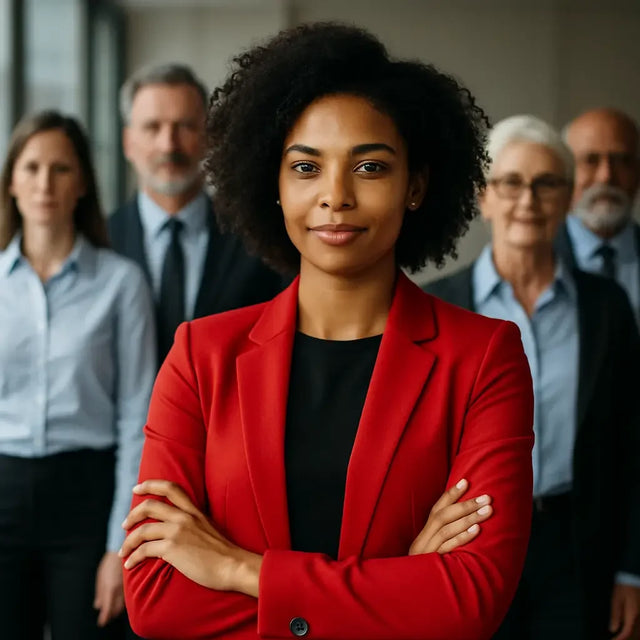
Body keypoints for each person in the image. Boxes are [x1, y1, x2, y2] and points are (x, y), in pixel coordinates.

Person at [119, 23, 535, 640]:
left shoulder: (483, 359)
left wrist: (237, 569)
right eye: (306, 166)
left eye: (369, 166)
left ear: (415, 186)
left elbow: (470, 602)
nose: (334, 196)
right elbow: (155, 602)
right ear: (276, 186)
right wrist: (398, 582)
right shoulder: (200, 356)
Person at [426, 115, 640, 640]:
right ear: (484, 198)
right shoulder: (435, 305)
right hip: (468, 541)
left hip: (577, 545)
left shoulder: (606, 306)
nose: (529, 199)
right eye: (512, 183)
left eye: (547, 184)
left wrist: (632, 570)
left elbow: (634, 441)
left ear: (568, 197)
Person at [0, 110, 156, 638]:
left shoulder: (122, 284)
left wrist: (119, 544)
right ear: (12, 180)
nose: (45, 183)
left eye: (61, 169)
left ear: (83, 182)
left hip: (87, 500)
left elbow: (138, 416)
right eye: (32, 167)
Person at [108, 63, 284, 363]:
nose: (169, 144)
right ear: (128, 143)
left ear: (209, 137)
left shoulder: (257, 235)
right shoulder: (100, 239)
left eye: (185, 126)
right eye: (153, 127)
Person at [556, 108, 640, 324]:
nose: (606, 176)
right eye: (591, 160)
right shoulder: (537, 256)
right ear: (565, 172)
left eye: (622, 160)